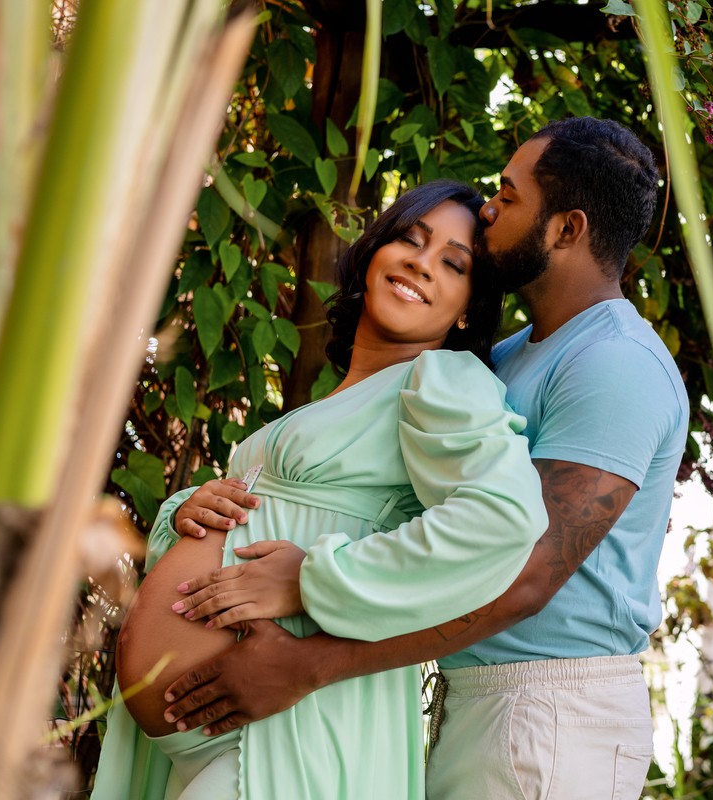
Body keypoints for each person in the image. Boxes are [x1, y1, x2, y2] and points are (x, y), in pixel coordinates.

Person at [164, 117, 689, 799]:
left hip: (550, 711)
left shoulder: (614, 364)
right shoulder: (505, 358)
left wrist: (310, 661)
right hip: (474, 692)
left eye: (508, 195)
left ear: (566, 229)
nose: (490, 209)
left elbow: (528, 576)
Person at [91, 180, 549, 800]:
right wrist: (189, 513)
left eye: (454, 263)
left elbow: (502, 520)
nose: (421, 262)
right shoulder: (337, 400)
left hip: (291, 729)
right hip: (205, 737)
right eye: (409, 240)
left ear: (468, 306)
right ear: (373, 254)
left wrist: (316, 577)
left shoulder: (443, 378)